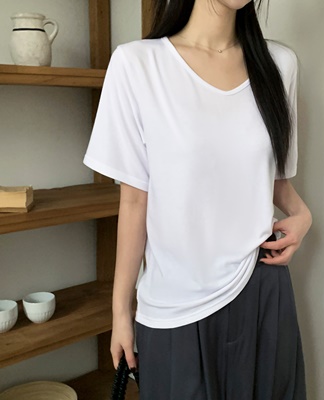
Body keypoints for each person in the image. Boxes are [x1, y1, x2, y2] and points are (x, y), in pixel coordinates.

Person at [83, 0, 312, 398]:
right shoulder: (138, 64)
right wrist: (121, 312)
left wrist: (302, 214)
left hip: (262, 289)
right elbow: (134, 202)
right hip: (175, 306)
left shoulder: (279, 64)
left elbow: (268, 178)